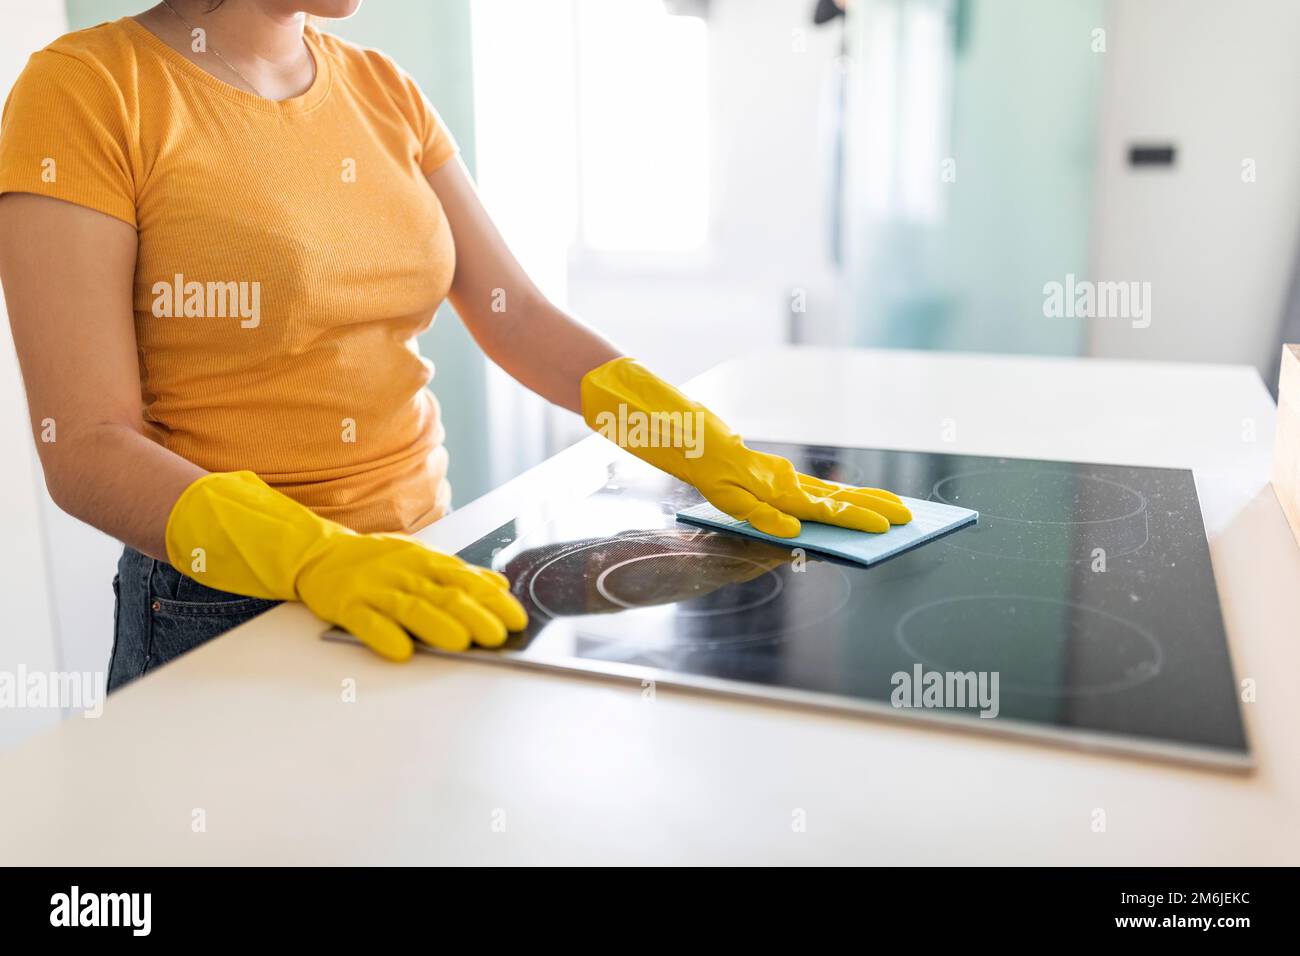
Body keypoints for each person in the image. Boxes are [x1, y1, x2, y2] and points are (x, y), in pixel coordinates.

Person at [0, 0, 909, 691]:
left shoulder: (380, 87)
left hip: (430, 561)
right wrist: (313, 555)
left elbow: (514, 314)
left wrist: (697, 443)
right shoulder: (87, 88)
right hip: (224, 602)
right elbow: (83, 447)